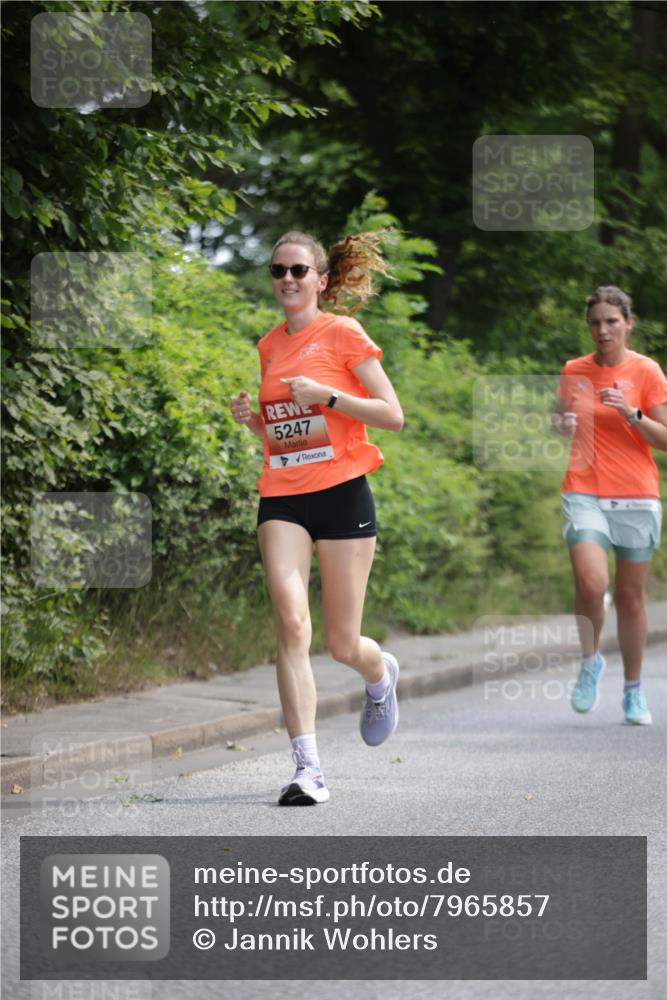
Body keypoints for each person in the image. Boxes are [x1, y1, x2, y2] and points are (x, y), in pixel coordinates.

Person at [230, 229, 404, 804]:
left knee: (341, 643)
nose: (286, 279)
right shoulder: (268, 345)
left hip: (341, 495)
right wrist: (254, 423)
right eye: (278, 270)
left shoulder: (343, 333)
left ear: (322, 280)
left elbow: (391, 415)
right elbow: (288, 437)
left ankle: (378, 676)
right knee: (291, 624)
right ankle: (308, 768)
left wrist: (327, 395)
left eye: (299, 270)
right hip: (282, 495)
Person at [553, 286, 667, 725]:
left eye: (611, 322)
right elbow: (562, 418)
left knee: (630, 598)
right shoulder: (573, 369)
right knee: (590, 580)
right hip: (583, 489)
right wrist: (561, 422)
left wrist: (631, 414)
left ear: (628, 324)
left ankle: (634, 692)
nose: (603, 330)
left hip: (637, 494)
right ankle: (590, 661)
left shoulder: (647, 371)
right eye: (596, 322)